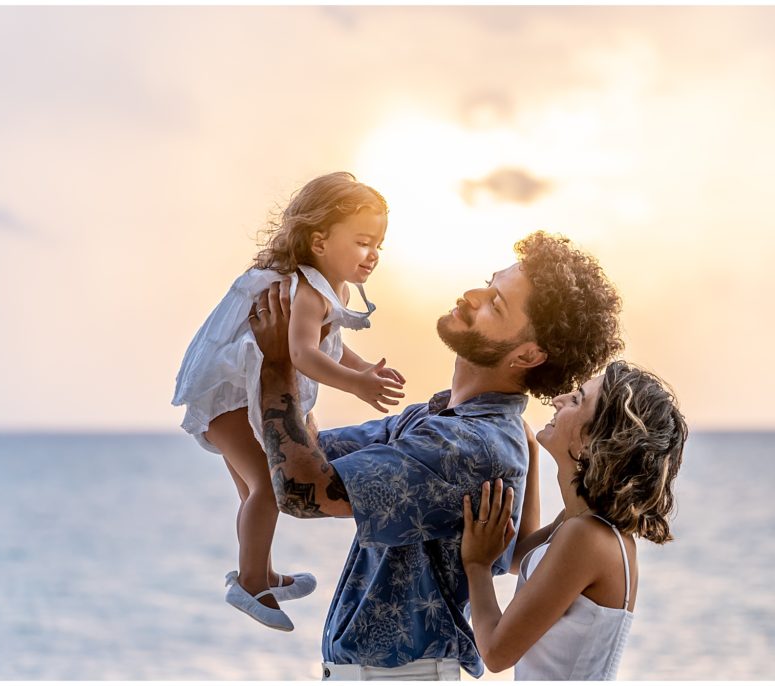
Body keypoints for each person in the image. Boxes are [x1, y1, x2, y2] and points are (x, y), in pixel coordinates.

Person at [247, 231, 623, 679]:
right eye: (489, 283)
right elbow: (299, 455)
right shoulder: (442, 422)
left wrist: (280, 363)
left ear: (527, 354)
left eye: (495, 304)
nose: (472, 295)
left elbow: (299, 489)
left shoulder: (469, 447)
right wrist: (311, 346)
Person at [171, 172, 405, 631]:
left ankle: (262, 569)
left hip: (240, 397)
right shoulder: (306, 290)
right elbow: (302, 354)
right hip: (230, 400)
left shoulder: (325, 289)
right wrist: (357, 386)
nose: (373, 253)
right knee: (266, 488)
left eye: (379, 243)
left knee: (251, 493)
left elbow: (328, 345)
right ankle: (251, 581)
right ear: (319, 241)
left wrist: (362, 370)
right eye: (362, 241)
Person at [461, 360, 688, 680]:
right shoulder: (583, 524)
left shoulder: (586, 536)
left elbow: (496, 653)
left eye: (577, 399)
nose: (558, 399)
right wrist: (530, 453)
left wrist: (476, 567)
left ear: (591, 445)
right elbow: (517, 556)